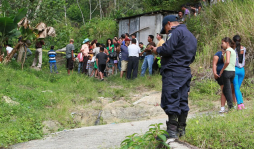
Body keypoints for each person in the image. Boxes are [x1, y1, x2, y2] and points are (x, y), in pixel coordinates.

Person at [151, 15, 197, 139]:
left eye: (166, 29)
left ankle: (171, 132)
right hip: (185, 71)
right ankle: (181, 129)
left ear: (169, 24)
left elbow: (168, 49)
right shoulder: (191, 36)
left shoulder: (175, 32)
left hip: (173, 71)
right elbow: (192, 56)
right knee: (182, 99)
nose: (167, 32)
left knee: (171, 98)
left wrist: (157, 50)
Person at [213, 46, 236, 113]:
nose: (224, 51)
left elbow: (227, 62)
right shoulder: (217, 54)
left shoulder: (228, 53)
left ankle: (233, 105)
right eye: (223, 50)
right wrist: (215, 73)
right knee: (224, 90)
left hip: (228, 73)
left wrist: (224, 56)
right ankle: (222, 107)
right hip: (220, 74)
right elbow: (214, 64)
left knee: (231, 89)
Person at [218, 37, 236, 110]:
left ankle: (230, 106)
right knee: (226, 89)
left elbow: (227, 61)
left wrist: (222, 69)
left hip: (227, 71)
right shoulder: (233, 50)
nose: (222, 45)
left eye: (223, 43)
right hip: (232, 71)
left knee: (227, 90)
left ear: (227, 43)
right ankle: (231, 105)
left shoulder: (228, 50)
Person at [233, 35, 246, 110]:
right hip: (242, 70)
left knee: (236, 88)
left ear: (234, 41)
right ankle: (241, 104)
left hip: (236, 69)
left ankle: (239, 104)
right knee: (238, 88)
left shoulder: (234, 50)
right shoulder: (244, 49)